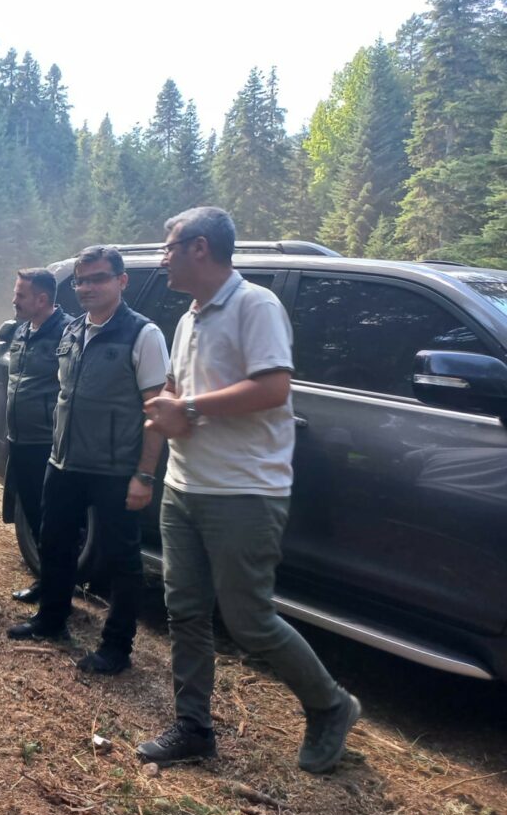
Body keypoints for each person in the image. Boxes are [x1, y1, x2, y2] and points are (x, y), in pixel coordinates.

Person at [138, 206, 360, 773]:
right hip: (185, 486)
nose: (162, 257)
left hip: (243, 492)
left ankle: (330, 706)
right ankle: (193, 728)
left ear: (200, 248)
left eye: (168, 246)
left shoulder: (254, 304)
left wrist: (185, 407)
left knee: (249, 620)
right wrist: (166, 407)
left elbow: (272, 387)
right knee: (184, 610)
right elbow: (179, 389)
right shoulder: (189, 318)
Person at [8, 248, 169, 679]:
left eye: (98, 279)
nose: (87, 288)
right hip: (64, 461)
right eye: (81, 280)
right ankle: (51, 619)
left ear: (121, 281)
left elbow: (156, 410)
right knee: (56, 543)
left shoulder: (143, 335)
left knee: (122, 560)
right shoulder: (72, 331)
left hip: (116, 469)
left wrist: (144, 474)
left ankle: (116, 647)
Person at [1, 268, 72, 605]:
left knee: (54, 522)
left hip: (48, 442)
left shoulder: (68, 333)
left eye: (20, 295)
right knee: (32, 514)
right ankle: (47, 582)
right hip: (20, 438)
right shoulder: (21, 330)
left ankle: (58, 595)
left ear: (42, 299)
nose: (14, 300)